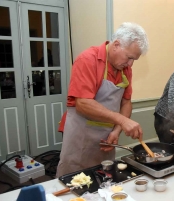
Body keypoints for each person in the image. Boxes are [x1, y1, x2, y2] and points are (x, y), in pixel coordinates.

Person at [56, 22, 149, 177]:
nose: (130, 64)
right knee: (74, 179)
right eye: (129, 57)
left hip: (106, 136)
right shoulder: (88, 59)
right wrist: (122, 120)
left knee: (103, 177)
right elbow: (83, 104)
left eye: (134, 60)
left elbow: (126, 102)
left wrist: (116, 130)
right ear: (117, 45)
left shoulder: (125, 69)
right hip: (81, 135)